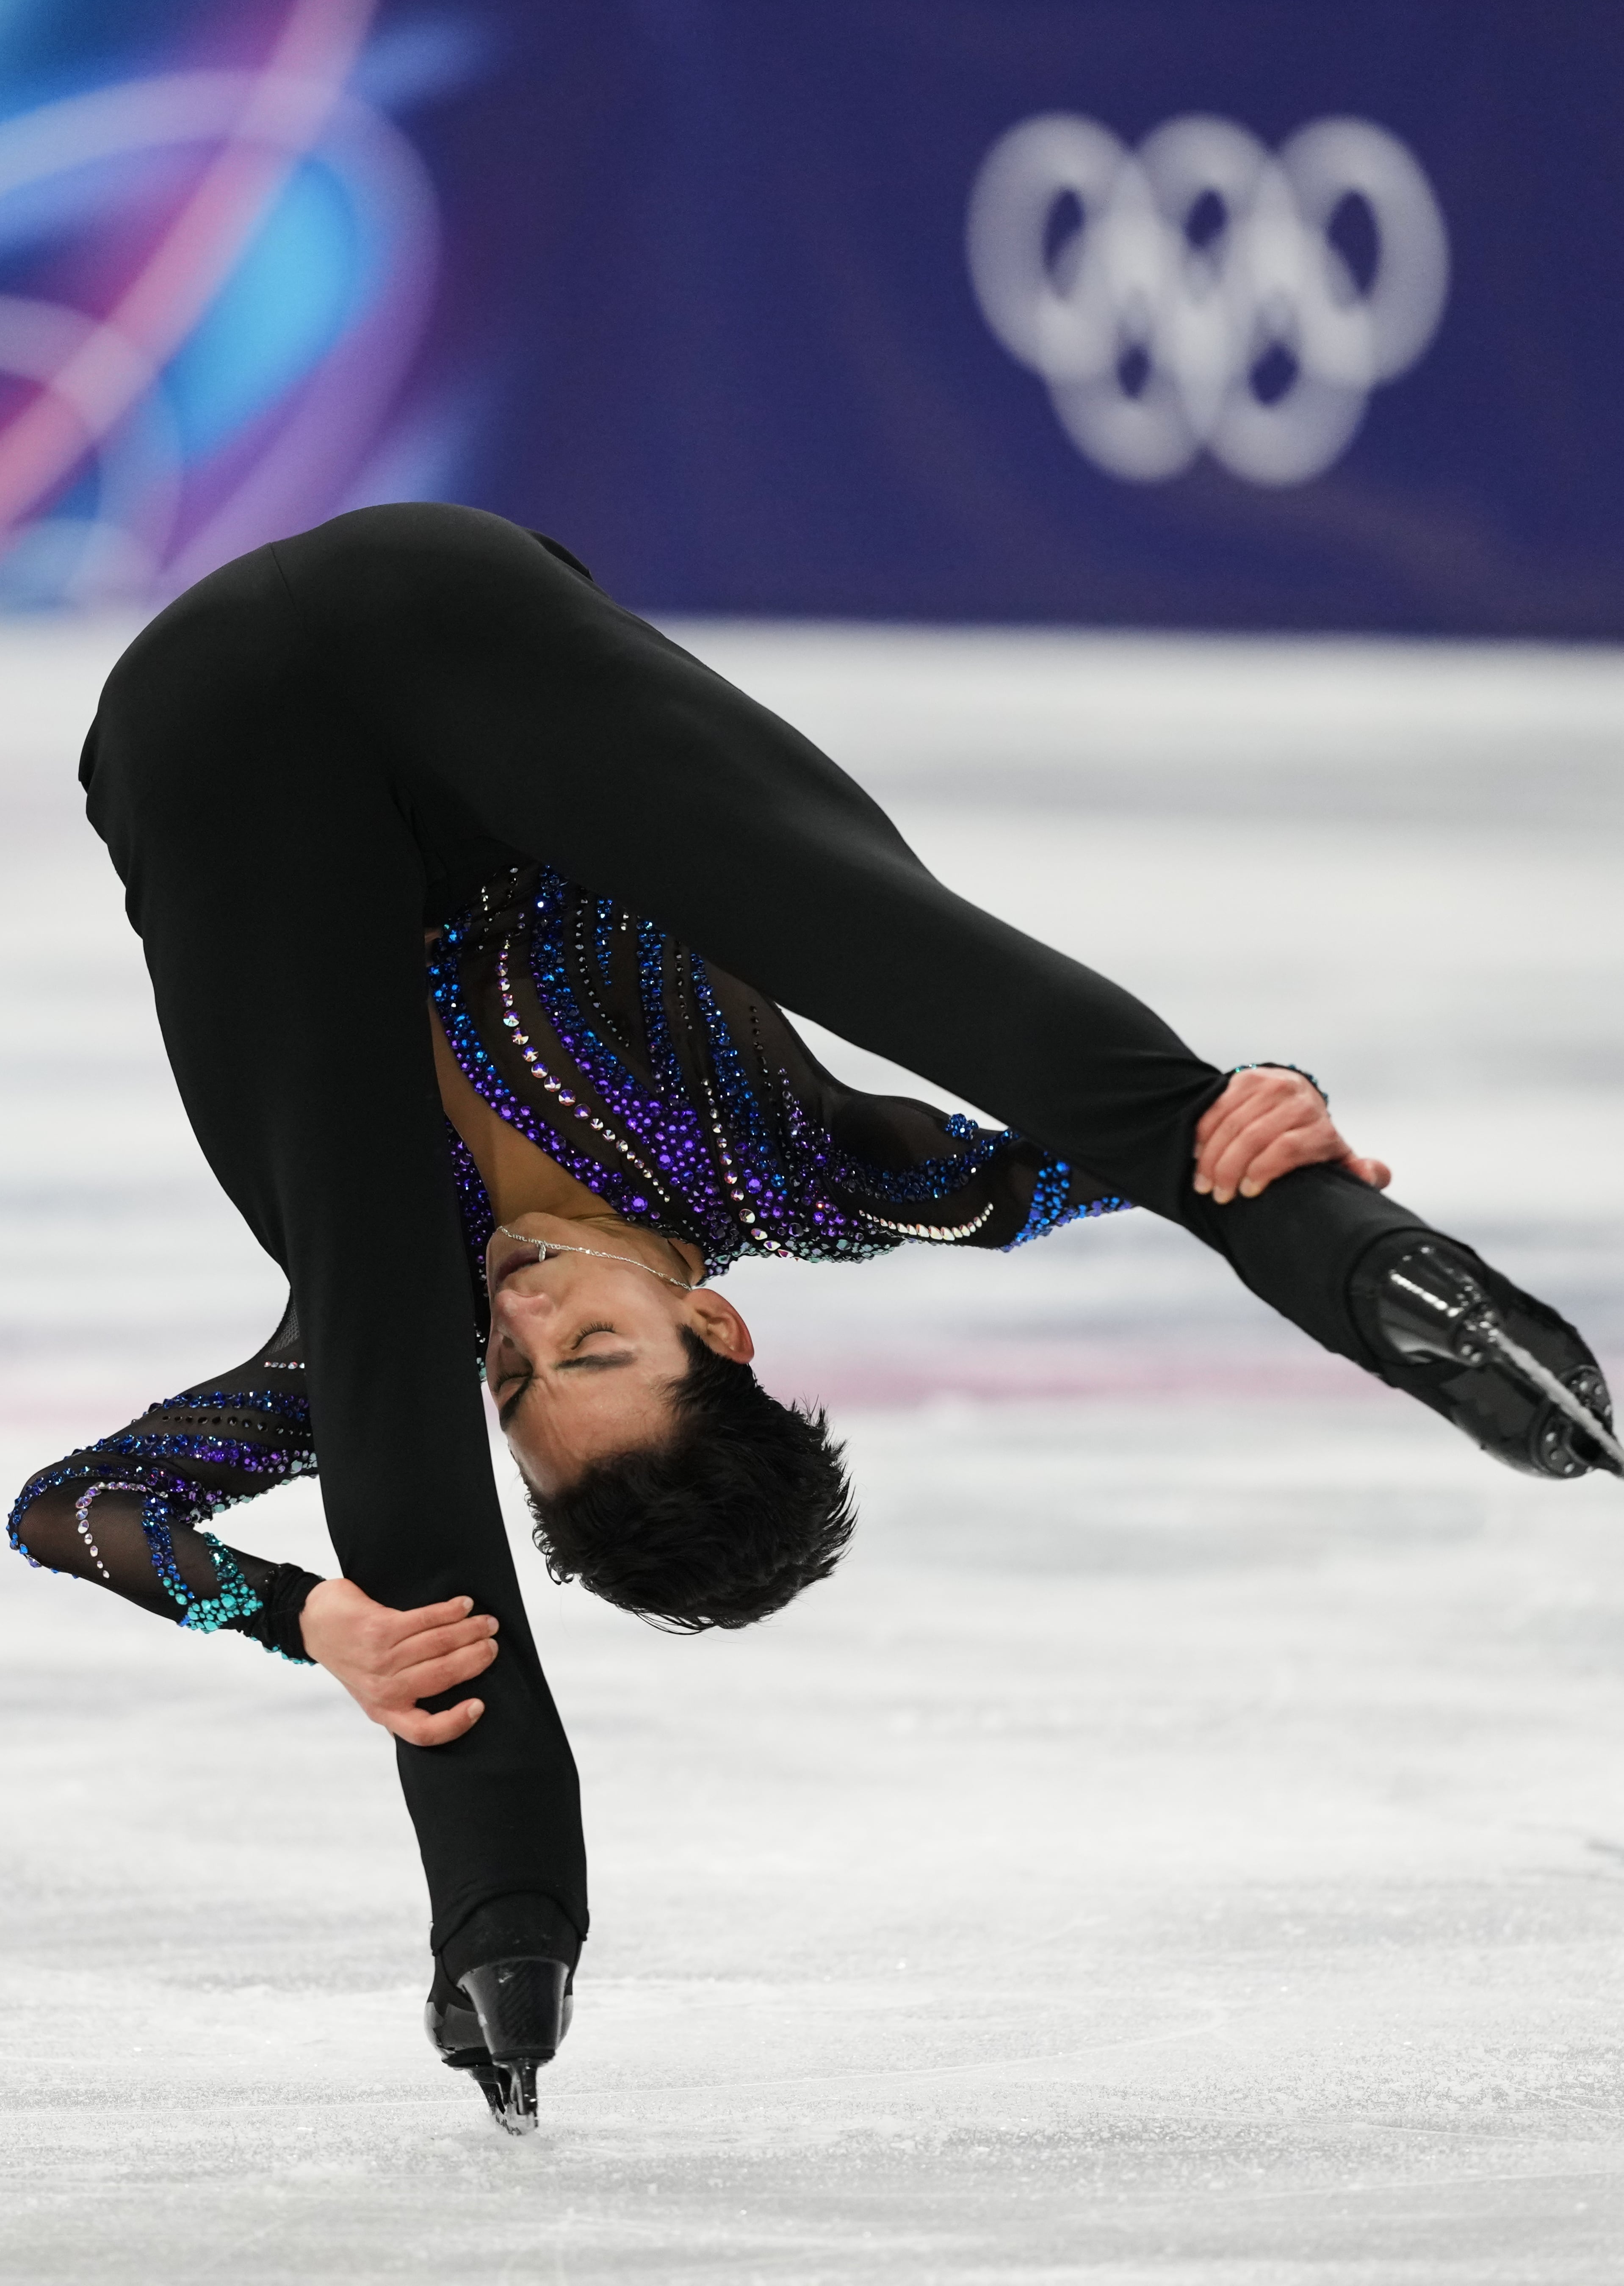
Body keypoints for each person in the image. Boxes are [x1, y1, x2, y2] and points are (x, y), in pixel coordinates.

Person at [9, 503, 1615, 2131]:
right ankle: (1358, 1263)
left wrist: (306, 1620)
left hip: (207, 739)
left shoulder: (399, 1328)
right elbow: (1096, 1156)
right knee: (883, 938)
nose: (518, 1315)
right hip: (451, 635)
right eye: (593, 1349)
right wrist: (1274, 1111)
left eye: (513, 1384)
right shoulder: (806, 1180)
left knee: (375, 1353)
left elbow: (68, 1511)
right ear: (718, 1331)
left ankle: (500, 1915)